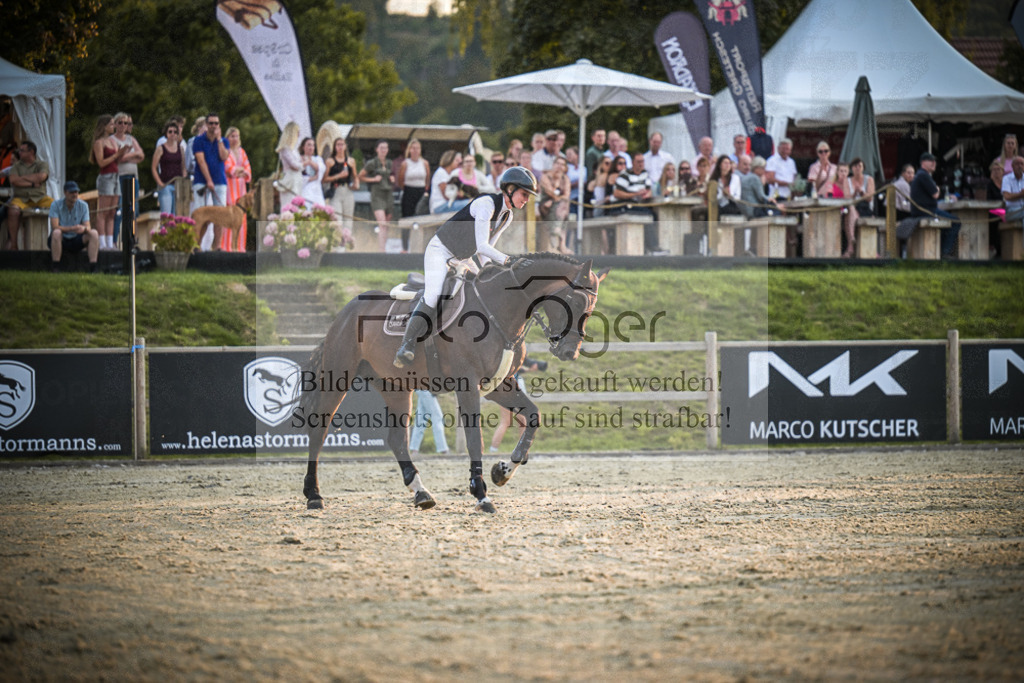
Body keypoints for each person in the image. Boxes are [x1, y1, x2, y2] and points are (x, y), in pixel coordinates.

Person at [393, 166, 538, 368]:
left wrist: (490, 274)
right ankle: (406, 344)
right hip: (440, 251)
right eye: (524, 194)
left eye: (529, 196)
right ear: (510, 189)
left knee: (484, 290)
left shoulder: (507, 216)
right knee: (434, 294)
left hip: (463, 258)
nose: (526, 200)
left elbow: (485, 252)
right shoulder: (486, 204)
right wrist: (509, 261)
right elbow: (482, 246)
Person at [5, 140, 53, 251]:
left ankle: (59, 239)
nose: (19, 152)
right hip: (21, 198)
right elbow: (14, 180)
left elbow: (41, 177)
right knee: (13, 210)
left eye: (22, 150)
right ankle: (14, 245)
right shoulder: (16, 166)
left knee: (57, 205)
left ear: (31, 152)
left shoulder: (42, 164)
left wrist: (22, 178)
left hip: (40, 197)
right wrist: (32, 183)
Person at [911, 152, 960, 258]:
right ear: (923, 163)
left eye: (935, 161)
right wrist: (937, 188)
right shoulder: (924, 175)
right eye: (930, 161)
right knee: (956, 222)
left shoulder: (921, 175)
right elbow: (935, 194)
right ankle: (945, 252)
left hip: (924, 210)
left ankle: (941, 251)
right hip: (926, 211)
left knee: (946, 225)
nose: (934, 163)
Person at [192, 112, 229, 250]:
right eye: (211, 123)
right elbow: (201, 161)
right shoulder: (199, 140)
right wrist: (209, 180)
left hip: (220, 181)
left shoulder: (224, 141)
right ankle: (196, 245)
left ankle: (217, 246)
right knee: (201, 216)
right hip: (202, 181)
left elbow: (224, 156)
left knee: (220, 216)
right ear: (206, 125)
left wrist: (219, 140)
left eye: (216, 123)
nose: (213, 126)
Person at [48, 181, 99, 273]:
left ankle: (93, 267)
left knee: (94, 233)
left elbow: (88, 226)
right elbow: (55, 226)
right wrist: (72, 228)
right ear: (65, 193)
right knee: (56, 233)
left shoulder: (83, 205)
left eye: (76, 192)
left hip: (76, 239)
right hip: (62, 239)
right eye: (71, 192)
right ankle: (55, 267)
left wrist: (83, 229)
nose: (74, 194)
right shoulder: (55, 205)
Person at [111, 112, 144, 249]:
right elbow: (117, 159)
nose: (123, 125)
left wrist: (126, 154)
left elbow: (141, 155)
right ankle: (113, 241)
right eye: (120, 122)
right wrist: (131, 155)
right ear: (115, 124)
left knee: (133, 210)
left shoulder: (131, 139)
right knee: (118, 210)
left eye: (126, 123)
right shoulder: (112, 140)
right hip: (120, 177)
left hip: (133, 177)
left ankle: (130, 240)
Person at [89, 116, 122, 251]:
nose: (113, 126)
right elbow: (101, 162)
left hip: (115, 175)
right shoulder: (99, 143)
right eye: (111, 124)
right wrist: (115, 156)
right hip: (106, 177)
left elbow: (116, 161)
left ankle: (110, 242)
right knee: (102, 211)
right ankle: (102, 244)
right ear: (104, 126)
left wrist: (121, 154)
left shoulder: (112, 142)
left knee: (112, 212)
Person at [359, 139, 394, 251]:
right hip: (377, 194)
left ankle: (383, 247)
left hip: (388, 194)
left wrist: (392, 179)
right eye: (381, 148)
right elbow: (361, 176)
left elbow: (394, 176)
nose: (384, 150)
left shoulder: (389, 163)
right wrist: (373, 179)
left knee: (387, 225)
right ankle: (381, 250)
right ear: (377, 149)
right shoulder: (372, 163)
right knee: (382, 223)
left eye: (386, 148)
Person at [396, 138, 429, 250]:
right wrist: (406, 188)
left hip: (420, 191)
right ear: (409, 150)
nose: (415, 150)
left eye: (417, 148)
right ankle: (405, 247)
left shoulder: (424, 163)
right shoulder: (405, 163)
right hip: (408, 191)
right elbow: (400, 180)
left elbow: (427, 179)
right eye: (413, 148)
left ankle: (419, 246)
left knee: (420, 218)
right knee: (407, 219)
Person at [223, 126, 252, 251]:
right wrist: (239, 171)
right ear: (227, 137)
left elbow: (248, 169)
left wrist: (241, 172)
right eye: (232, 136)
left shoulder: (242, 152)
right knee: (229, 216)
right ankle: (227, 247)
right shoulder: (225, 151)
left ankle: (240, 247)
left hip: (241, 189)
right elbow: (228, 168)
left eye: (236, 136)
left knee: (241, 217)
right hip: (230, 188)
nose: (235, 139)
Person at [324, 138, 359, 242]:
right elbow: (325, 179)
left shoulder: (351, 161)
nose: (340, 147)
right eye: (338, 145)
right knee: (337, 218)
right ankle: (337, 241)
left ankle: (347, 240)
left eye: (342, 144)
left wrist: (356, 183)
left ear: (345, 146)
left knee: (348, 218)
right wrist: (338, 176)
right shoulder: (330, 161)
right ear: (335, 147)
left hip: (347, 190)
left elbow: (355, 175)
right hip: (335, 190)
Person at [151, 119, 186, 216]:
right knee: (166, 216)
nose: (172, 134)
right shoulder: (161, 148)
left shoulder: (181, 149)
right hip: (166, 184)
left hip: (178, 185)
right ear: (166, 133)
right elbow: (154, 167)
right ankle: (164, 231)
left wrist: (184, 180)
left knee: (177, 215)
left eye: (175, 132)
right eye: (170, 131)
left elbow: (183, 167)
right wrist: (160, 183)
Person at [538, 156, 573, 254]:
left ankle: (556, 233)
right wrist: (556, 199)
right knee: (563, 208)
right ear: (553, 165)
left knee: (562, 207)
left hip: (558, 207)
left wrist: (556, 200)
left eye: (562, 164)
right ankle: (561, 245)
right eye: (558, 164)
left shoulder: (565, 178)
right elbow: (550, 193)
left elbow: (566, 195)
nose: (559, 166)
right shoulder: (546, 176)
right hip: (545, 206)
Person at [408, 390, 449, 456]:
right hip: (426, 389)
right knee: (437, 418)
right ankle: (443, 449)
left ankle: (414, 449)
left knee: (421, 420)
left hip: (421, 389)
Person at [275, 122, 302, 209]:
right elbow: (294, 165)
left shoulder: (294, 149)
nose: (299, 134)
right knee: (289, 204)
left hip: (297, 179)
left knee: (298, 206)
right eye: (297, 132)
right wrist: (304, 164)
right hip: (289, 180)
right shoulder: (285, 149)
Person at [298, 136, 326, 206]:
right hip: (304, 188)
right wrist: (311, 178)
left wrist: (309, 162)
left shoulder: (317, 159)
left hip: (316, 189)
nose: (311, 148)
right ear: (303, 147)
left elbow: (320, 169)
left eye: (313, 145)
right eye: (309, 145)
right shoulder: (298, 159)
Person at [1001, 155, 1024, 222]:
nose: (1019, 166)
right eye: (1017, 164)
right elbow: (1007, 196)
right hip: (1011, 211)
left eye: (1022, 164)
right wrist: (1021, 194)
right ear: (1012, 166)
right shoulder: (1006, 178)